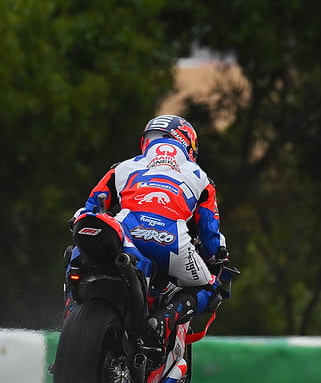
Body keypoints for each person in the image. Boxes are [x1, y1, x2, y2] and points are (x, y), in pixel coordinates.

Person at [73, 114, 232, 347]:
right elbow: (210, 237)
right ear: (188, 144)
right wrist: (216, 257)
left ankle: (71, 315)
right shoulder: (201, 178)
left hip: (126, 234)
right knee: (210, 286)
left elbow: (92, 206)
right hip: (172, 243)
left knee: (77, 252)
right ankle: (164, 320)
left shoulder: (123, 166)